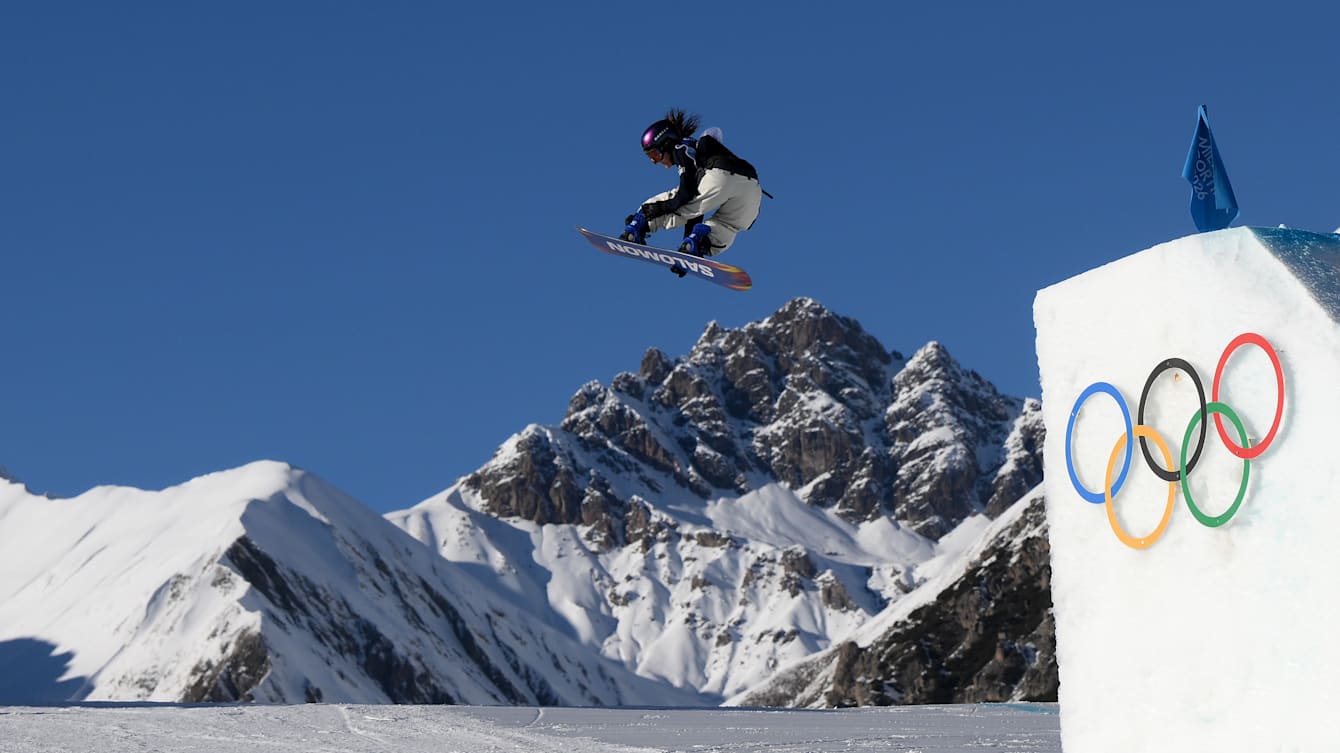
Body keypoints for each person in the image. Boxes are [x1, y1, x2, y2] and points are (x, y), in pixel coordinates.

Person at [620, 109, 763, 276]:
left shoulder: (681, 148)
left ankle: (639, 224)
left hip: (720, 175)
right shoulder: (696, 150)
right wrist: (687, 251)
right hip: (752, 186)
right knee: (729, 225)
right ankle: (700, 241)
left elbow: (686, 195)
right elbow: (696, 211)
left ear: (666, 143)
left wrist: (660, 208)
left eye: (655, 154)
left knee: (677, 203)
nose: (654, 161)